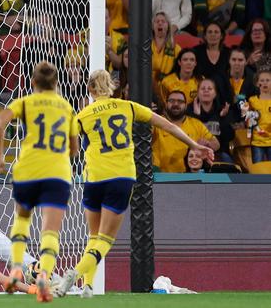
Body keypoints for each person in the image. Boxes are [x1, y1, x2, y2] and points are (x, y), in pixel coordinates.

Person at [56, 70, 214, 298]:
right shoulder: (128, 107)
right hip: (121, 177)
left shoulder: (84, 115)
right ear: (111, 87)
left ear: (90, 90)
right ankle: (76, 274)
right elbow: (168, 126)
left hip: (94, 177)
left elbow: (64, 145)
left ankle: (88, 286)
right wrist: (194, 144)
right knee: (106, 240)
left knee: (93, 236)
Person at [0, 61, 79, 302]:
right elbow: (75, 149)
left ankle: (17, 268)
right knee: (50, 230)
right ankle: (44, 275)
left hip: (27, 170)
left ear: (33, 83)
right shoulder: (66, 107)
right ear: (56, 83)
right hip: (57, 173)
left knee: (22, 219)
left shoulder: (25, 103)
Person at [153, 91, 220, 172]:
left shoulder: (196, 124)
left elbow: (216, 144)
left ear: (186, 105)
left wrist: (207, 144)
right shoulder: (156, 122)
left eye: (180, 101)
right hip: (162, 177)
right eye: (172, 101)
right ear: (166, 104)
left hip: (191, 176)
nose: (176, 104)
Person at [248, 69, 271, 163]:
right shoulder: (252, 100)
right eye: (262, 80)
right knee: (257, 171)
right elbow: (248, 120)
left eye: (268, 80)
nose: (264, 83)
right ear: (257, 83)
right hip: (257, 142)